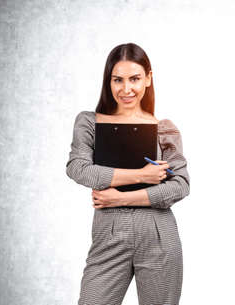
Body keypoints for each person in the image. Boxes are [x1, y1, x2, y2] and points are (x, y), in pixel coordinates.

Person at [65, 43, 190, 305]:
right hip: (109, 234)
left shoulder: (164, 129)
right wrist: (142, 176)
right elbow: (78, 168)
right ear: (108, 81)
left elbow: (179, 186)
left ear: (148, 78)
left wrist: (120, 199)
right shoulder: (90, 122)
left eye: (134, 78)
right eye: (117, 80)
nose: (126, 89)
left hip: (159, 234)